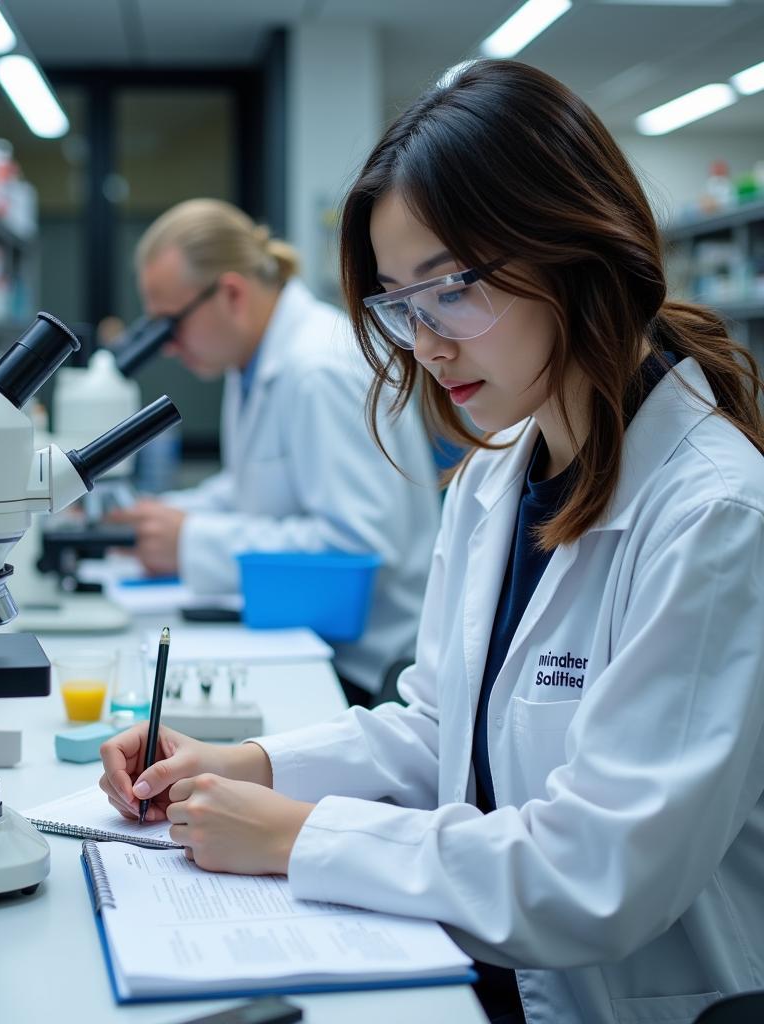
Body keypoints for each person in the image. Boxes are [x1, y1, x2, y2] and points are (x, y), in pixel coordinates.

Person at [99, 61, 764, 1024]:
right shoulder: (499, 472)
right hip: (477, 968)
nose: (424, 344)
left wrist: (298, 836)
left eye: (450, 291)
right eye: (400, 305)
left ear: (572, 248)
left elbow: (598, 877)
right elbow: (440, 729)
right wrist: (248, 765)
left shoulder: (714, 516)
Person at [112, 199, 441, 704]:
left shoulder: (319, 369)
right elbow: (256, 487)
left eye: (169, 326)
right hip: (311, 638)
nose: (169, 348)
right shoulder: (252, 366)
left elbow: (358, 546)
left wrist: (194, 542)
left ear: (231, 294)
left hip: (369, 670)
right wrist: (164, 517)